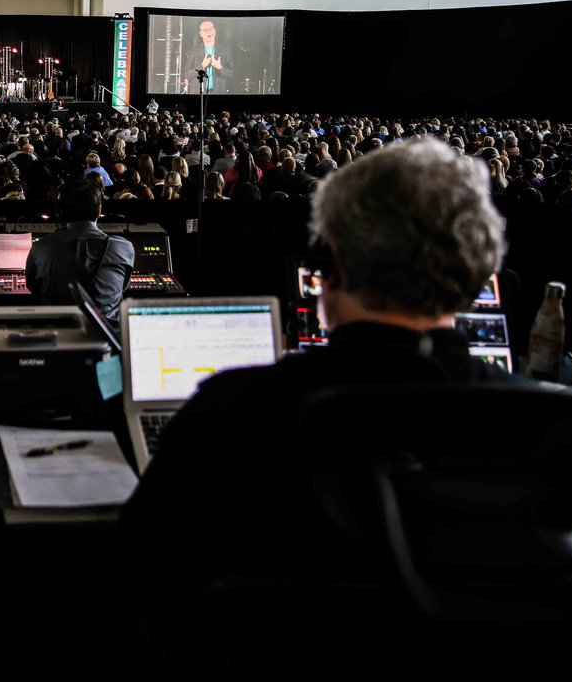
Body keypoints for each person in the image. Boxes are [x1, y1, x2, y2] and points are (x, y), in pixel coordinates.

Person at [122, 138, 514, 603]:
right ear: (479, 271)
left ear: (329, 265)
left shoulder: (228, 411)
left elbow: (142, 561)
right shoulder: (548, 426)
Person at [25, 177, 134, 328]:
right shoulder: (124, 247)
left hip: (59, 339)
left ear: (59, 212)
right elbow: (122, 288)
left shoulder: (41, 247)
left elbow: (33, 288)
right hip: (109, 340)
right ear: (99, 210)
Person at [186, 20, 230, 95]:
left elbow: (231, 73)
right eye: (206, 30)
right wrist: (202, 66)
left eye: (211, 29)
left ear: (215, 31)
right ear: (201, 34)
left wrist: (220, 68)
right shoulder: (193, 52)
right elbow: (187, 74)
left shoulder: (225, 51)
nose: (209, 31)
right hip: (198, 93)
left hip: (219, 92)